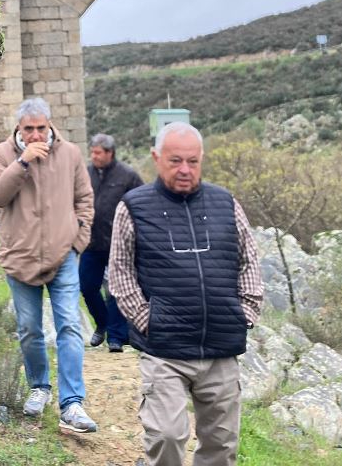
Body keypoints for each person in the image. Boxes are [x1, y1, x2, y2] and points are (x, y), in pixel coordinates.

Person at [109, 122, 263, 466]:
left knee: (221, 447)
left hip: (221, 348)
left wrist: (246, 313)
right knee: (166, 436)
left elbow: (249, 259)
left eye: (192, 162)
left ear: (202, 159)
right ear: (156, 157)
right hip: (165, 350)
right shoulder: (133, 207)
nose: (184, 170)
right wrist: (149, 322)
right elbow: (120, 274)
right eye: (175, 160)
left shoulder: (226, 203)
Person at [0, 97, 98, 434]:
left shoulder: (70, 154)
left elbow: (85, 201)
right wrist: (21, 162)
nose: (35, 134)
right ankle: (40, 387)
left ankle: (72, 402)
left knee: (69, 326)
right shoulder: (2, 154)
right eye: (28, 129)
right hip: (20, 258)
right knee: (30, 329)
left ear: (49, 125)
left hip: (63, 255)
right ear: (19, 129)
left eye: (41, 128)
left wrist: (78, 242)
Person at [81, 133, 143, 352]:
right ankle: (103, 323)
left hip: (120, 244)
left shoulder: (128, 176)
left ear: (110, 153)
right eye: (92, 152)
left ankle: (116, 337)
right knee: (87, 287)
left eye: (98, 153)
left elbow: (141, 205)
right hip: (90, 242)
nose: (94, 156)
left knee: (116, 290)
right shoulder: (85, 174)